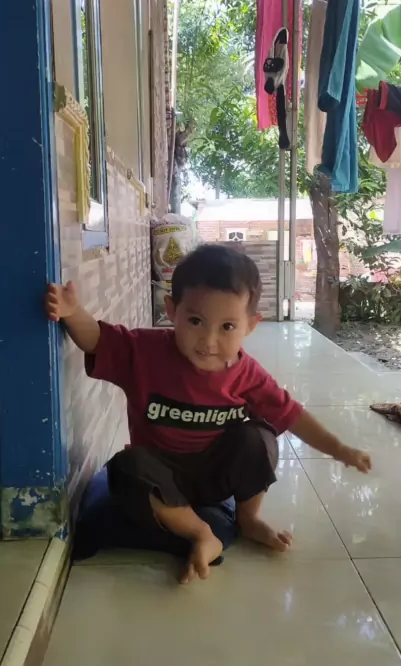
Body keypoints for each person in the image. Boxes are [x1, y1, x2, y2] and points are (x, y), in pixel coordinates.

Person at [46, 244, 371, 584]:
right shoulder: (145, 352)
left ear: (250, 326)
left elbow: (292, 416)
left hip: (214, 476)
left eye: (227, 326)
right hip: (161, 477)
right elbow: (99, 340)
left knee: (258, 436)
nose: (208, 340)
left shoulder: (247, 375)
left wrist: (339, 449)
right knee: (124, 467)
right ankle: (201, 534)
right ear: (172, 310)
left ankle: (248, 519)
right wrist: (72, 311)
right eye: (196, 321)